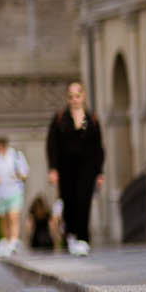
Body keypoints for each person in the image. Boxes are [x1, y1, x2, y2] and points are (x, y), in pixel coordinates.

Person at [46, 81, 105, 258]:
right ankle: (71, 234)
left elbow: (98, 147)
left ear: (83, 96)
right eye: (71, 96)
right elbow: (52, 145)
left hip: (87, 168)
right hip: (66, 168)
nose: (74, 99)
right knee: (69, 201)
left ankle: (83, 238)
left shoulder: (91, 119)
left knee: (84, 200)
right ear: (67, 98)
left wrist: (100, 172)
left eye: (77, 95)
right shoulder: (60, 118)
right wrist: (53, 169)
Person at [0, 135, 29, 257]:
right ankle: (6, 240)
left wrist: (17, 175)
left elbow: (25, 173)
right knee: (3, 218)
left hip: (14, 190)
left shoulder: (16, 156)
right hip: (0, 193)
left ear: (1, 145)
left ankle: (13, 241)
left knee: (13, 215)